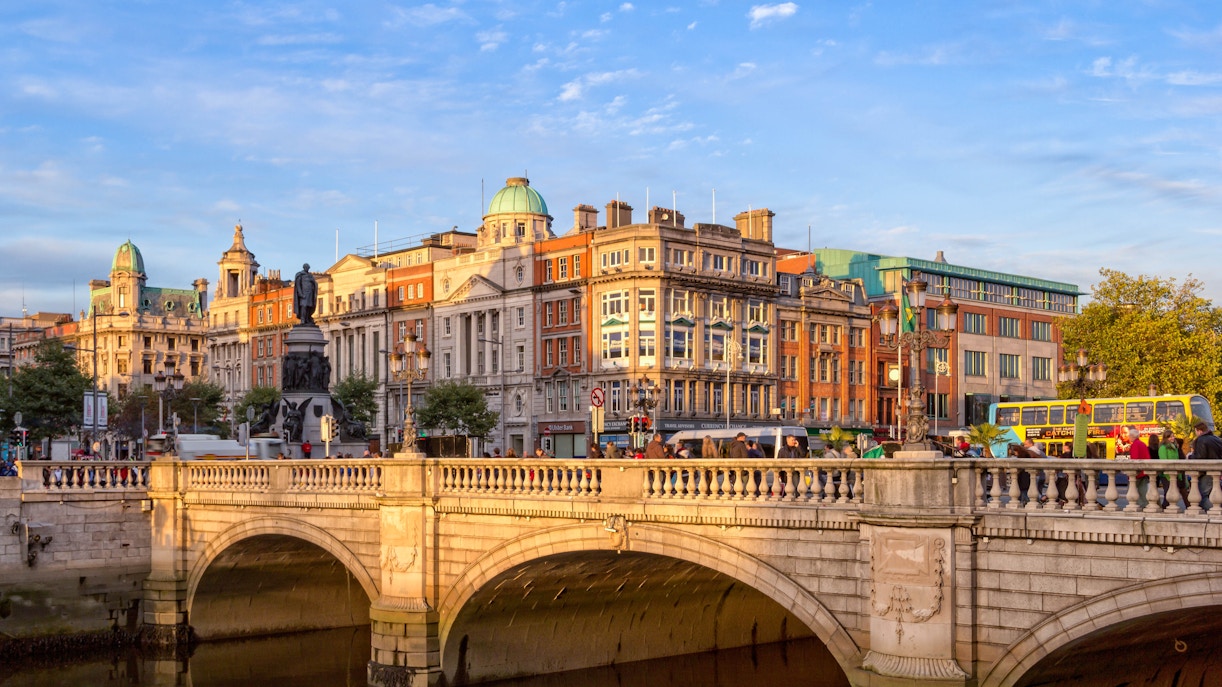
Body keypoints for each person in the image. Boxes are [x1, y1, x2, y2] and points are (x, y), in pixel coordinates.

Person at [1191, 422, 1222, 505]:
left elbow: (1200, 457)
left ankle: (1216, 514)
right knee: (1215, 495)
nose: (1196, 434)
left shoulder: (1201, 440)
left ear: (1199, 431)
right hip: (1217, 471)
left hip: (1206, 472)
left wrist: (1190, 457)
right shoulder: (1216, 439)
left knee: (1202, 496)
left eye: (1196, 431)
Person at [1127, 428, 1151, 508]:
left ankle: (1137, 505)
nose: (1128, 437)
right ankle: (1146, 505)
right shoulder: (1142, 444)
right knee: (1143, 491)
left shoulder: (1135, 445)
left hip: (1137, 473)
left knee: (1131, 490)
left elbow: (1134, 459)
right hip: (1144, 471)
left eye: (1129, 435)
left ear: (1133, 436)